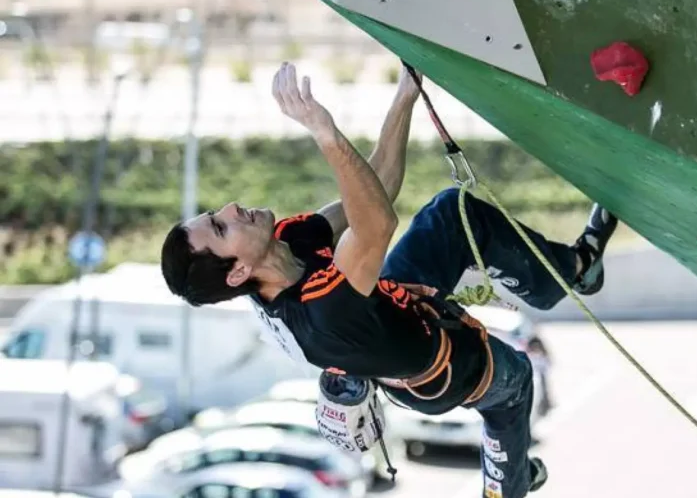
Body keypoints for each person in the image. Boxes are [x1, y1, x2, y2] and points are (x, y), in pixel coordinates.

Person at [160, 62, 619, 498]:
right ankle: (510, 482)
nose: (230, 210)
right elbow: (377, 225)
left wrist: (405, 95)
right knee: (515, 381)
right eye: (221, 228)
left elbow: (378, 188)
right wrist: (325, 132)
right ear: (239, 271)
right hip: (436, 368)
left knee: (451, 213)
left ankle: (571, 272)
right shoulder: (321, 311)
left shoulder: (286, 241)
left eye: (213, 214)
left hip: (391, 304)